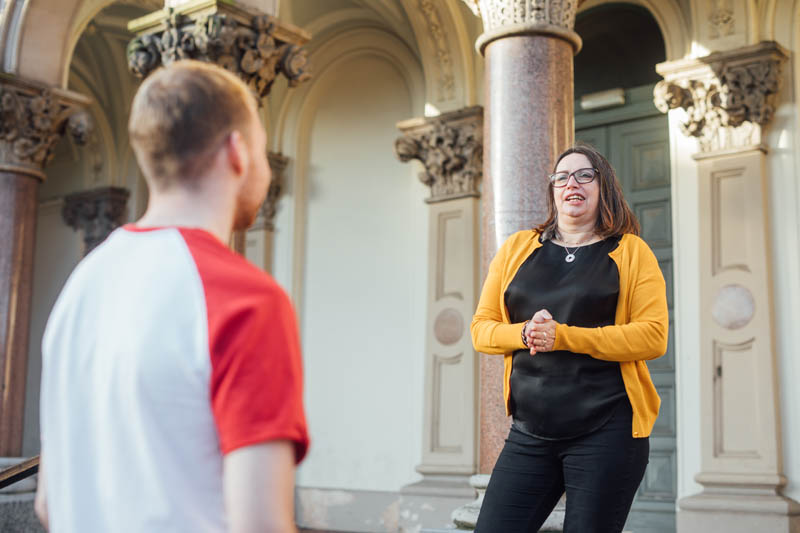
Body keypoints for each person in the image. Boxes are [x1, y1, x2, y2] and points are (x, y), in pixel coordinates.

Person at [35, 60, 309, 533]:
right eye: (264, 148)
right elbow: (260, 523)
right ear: (238, 151)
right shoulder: (247, 298)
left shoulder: (81, 285)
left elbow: (48, 503)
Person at [471, 144, 668, 532]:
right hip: (530, 431)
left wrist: (564, 337)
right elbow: (481, 328)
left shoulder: (631, 252)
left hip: (607, 431)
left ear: (603, 187)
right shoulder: (517, 248)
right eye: (561, 177)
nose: (571, 184)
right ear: (553, 190)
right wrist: (525, 332)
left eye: (584, 175)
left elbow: (653, 336)